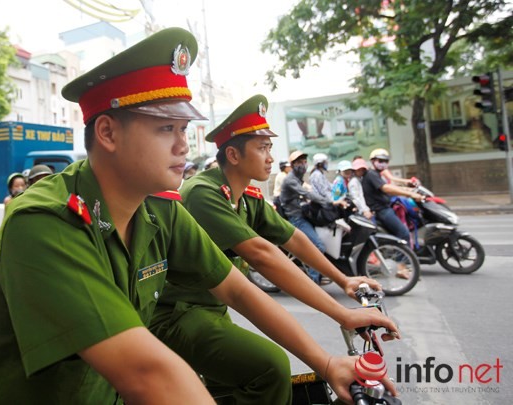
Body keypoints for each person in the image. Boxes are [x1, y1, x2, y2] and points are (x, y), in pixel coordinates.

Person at [0, 28, 397, 405]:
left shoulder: (159, 208)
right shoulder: (44, 221)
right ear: (107, 132)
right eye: (166, 128)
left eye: (184, 129)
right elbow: (148, 372)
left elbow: (238, 290)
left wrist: (327, 360)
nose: (184, 145)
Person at [151, 95, 399, 404]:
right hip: (178, 312)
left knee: (224, 390)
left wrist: (343, 280)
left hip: (211, 309)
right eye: (262, 148)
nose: (270, 157)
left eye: (269, 147)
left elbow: (292, 238)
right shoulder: (203, 193)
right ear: (233, 154)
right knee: (269, 369)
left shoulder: (247, 196)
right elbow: (261, 254)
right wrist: (340, 313)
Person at [280, 150, 326, 284]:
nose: (303, 165)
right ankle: (313, 281)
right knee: (318, 247)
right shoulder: (290, 179)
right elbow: (306, 193)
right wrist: (328, 202)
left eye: (305, 162)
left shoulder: (298, 177)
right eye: (299, 162)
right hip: (296, 218)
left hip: (301, 214)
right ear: (293, 165)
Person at [362, 148, 424, 245]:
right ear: (373, 161)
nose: (383, 163)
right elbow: (386, 188)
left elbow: (391, 186)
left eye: (386, 161)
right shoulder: (371, 174)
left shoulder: (378, 174)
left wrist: (409, 189)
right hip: (381, 210)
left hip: (386, 207)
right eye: (380, 161)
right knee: (404, 234)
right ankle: (404, 259)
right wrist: (411, 194)